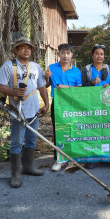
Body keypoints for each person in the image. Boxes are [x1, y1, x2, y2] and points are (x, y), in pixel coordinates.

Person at [0, 37, 49, 188]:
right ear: (16, 50)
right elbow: (0, 86)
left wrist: (46, 104)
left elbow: (42, 86)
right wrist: (13, 91)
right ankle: (15, 174)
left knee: (31, 140)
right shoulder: (8, 66)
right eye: (22, 47)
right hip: (17, 111)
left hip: (34, 110)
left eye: (29, 48)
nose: (26, 50)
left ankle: (28, 167)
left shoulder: (35, 67)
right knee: (17, 143)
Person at [45, 43, 82, 171]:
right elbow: (46, 85)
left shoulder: (76, 71)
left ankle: (73, 157)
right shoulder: (51, 68)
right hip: (58, 103)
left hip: (72, 104)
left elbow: (79, 89)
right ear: (58, 54)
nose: (65, 55)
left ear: (71, 54)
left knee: (73, 129)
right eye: (63, 53)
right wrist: (46, 77)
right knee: (58, 130)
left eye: (68, 53)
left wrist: (68, 87)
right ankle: (59, 159)